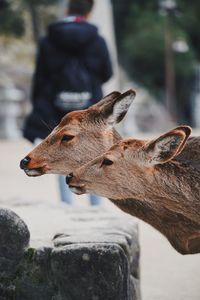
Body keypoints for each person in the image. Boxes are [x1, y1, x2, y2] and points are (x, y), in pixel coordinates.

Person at [23, 0, 113, 205]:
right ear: (90, 11)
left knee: (59, 149)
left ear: (67, 9)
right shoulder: (97, 40)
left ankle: (67, 204)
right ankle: (95, 203)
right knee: (93, 150)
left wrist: (39, 107)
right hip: (91, 105)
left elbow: (40, 77)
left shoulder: (48, 41)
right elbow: (107, 73)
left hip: (57, 105)